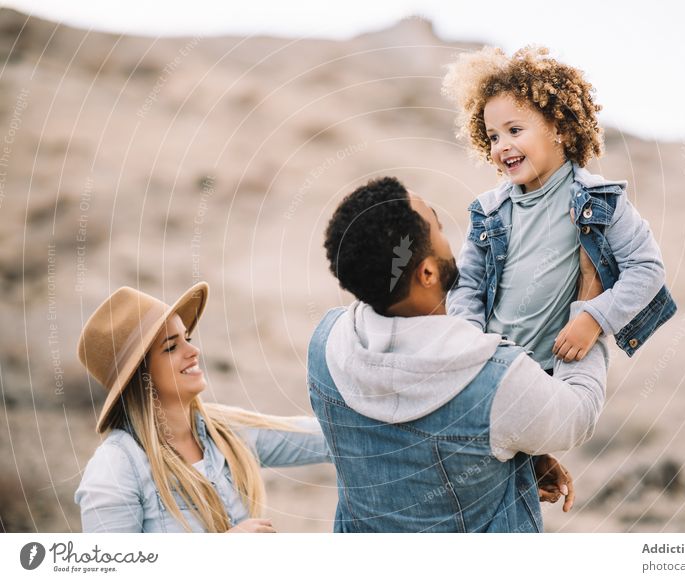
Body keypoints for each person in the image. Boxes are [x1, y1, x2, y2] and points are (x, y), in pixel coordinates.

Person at [309, 176, 608, 532]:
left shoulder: (326, 343)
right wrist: (590, 305)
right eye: (436, 223)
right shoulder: (496, 380)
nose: (444, 230)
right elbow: (580, 414)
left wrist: (516, 459)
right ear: (427, 272)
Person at [442, 45, 677, 372]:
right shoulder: (489, 212)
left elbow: (646, 269)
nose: (502, 146)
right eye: (493, 136)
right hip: (492, 369)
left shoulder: (600, 201)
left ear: (560, 129)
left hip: (557, 371)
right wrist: (470, 336)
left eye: (514, 130)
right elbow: (466, 284)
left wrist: (594, 319)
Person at [74, 282, 330, 532]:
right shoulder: (115, 467)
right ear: (140, 376)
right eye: (171, 347)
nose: (193, 350)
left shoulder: (226, 432)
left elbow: (330, 438)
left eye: (187, 338)